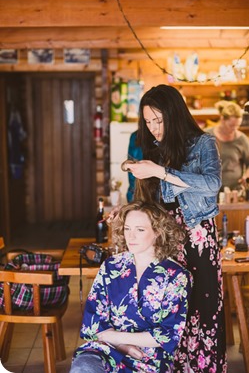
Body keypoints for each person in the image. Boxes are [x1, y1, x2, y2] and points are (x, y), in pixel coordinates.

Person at [122, 84, 227, 373]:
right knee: (169, 313)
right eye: (148, 122)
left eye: (159, 120)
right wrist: (129, 215)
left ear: (174, 115)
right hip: (165, 242)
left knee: (202, 310)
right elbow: (148, 203)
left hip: (196, 239)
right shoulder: (154, 150)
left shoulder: (203, 143)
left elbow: (212, 184)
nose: (154, 128)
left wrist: (160, 171)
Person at [70, 201, 193, 373]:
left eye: (140, 230)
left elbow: (167, 334)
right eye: (127, 229)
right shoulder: (111, 266)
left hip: (148, 357)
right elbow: (94, 321)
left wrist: (116, 336)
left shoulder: (176, 276)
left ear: (158, 231)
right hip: (107, 349)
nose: (131, 236)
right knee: (83, 367)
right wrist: (122, 345)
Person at [205, 100, 249, 191]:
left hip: (234, 190)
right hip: (209, 190)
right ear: (222, 119)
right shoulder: (206, 136)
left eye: (237, 125)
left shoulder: (242, 139)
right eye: (231, 125)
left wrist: (247, 176)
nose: (234, 129)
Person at [126, 130, 143, 202]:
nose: (152, 128)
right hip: (136, 194)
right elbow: (130, 168)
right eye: (148, 122)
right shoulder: (135, 136)